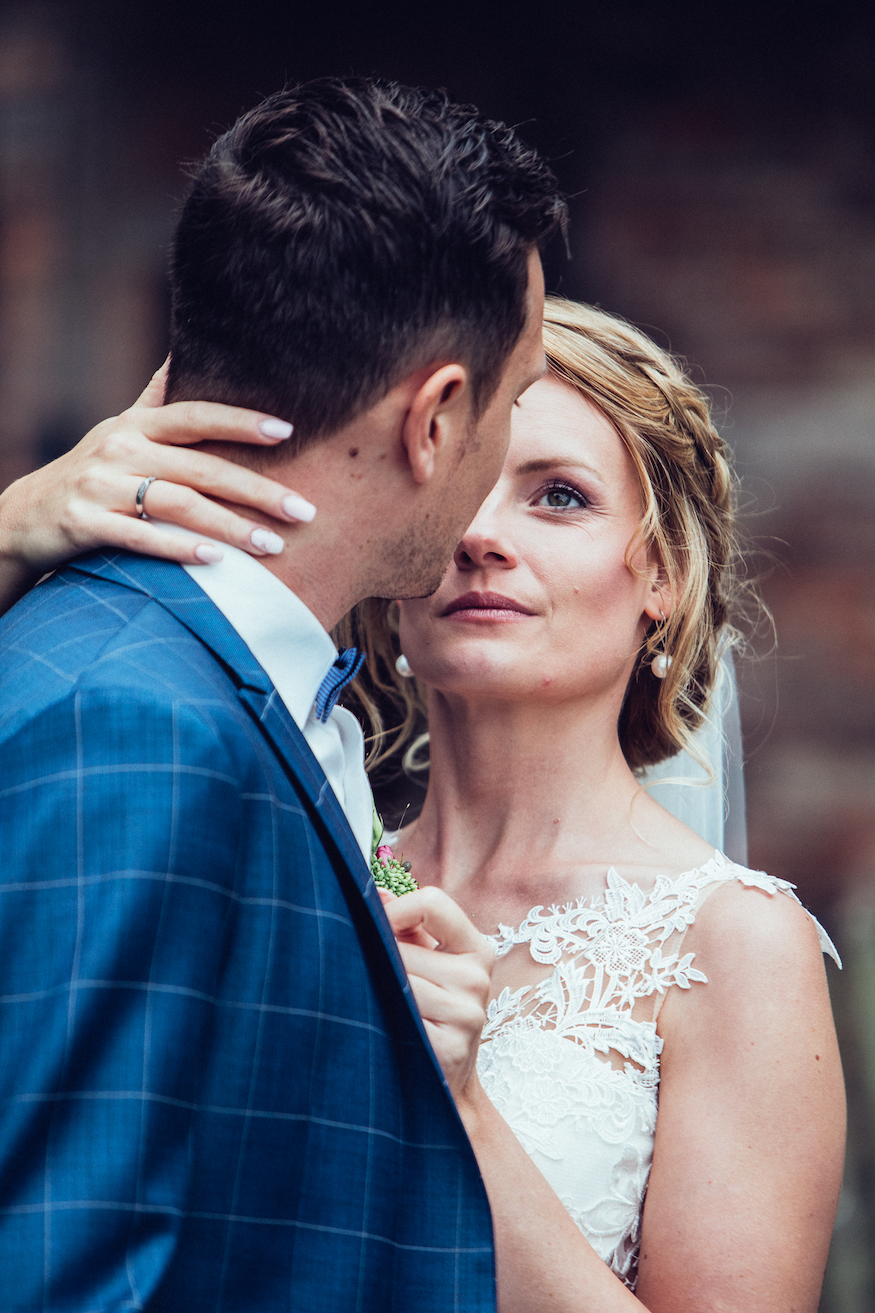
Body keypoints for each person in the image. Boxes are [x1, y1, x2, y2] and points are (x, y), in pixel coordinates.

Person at [0, 295, 845, 1311]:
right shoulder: (297, 841)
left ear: (660, 572)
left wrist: (465, 1108)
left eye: (559, 497)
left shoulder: (735, 941)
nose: (481, 535)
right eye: (466, 485)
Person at [0, 78, 563, 1311]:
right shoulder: (135, 721)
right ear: (436, 418)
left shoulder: (257, 696)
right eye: (512, 400)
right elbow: (58, 1270)